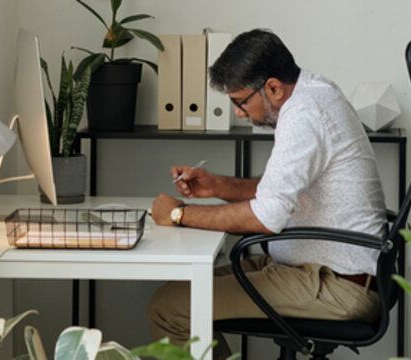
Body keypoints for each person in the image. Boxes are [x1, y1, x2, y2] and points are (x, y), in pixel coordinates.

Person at [146, 29, 387, 355]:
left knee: (168, 308)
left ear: (272, 87)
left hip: (335, 285)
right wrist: (218, 185)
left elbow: (266, 216)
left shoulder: (303, 114)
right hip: (319, 270)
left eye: (240, 102)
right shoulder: (316, 92)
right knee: (183, 289)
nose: (239, 114)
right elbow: (281, 191)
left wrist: (178, 214)